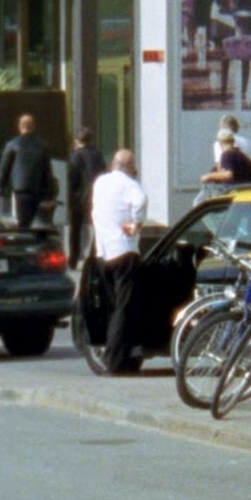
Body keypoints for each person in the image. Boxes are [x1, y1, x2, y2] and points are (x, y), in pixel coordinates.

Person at [90, 148, 148, 375]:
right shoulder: (130, 185)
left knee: (114, 307)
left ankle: (121, 356)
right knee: (124, 309)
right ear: (130, 167)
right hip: (124, 251)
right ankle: (115, 362)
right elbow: (140, 201)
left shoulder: (100, 183)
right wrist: (136, 223)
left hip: (103, 253)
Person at [0, 113, 54, 228]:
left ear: (19, 126)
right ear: (33, 127)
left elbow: (3, 170)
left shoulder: (12, 145)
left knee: (22, 223)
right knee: (37, 223)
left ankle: (23, 236)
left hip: (20, 190)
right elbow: (47, 172)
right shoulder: (43, 146)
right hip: (37, 190)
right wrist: (49, 196)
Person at [65, 126, 107, 266]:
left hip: (79, 197)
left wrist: (70, 196)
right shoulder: (98, 155)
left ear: (77, 140)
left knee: (75, 229)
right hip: (97, 196)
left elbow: (72, 178)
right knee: (98, 227)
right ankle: (94, 256)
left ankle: (74, 258)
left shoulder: (76, 155)